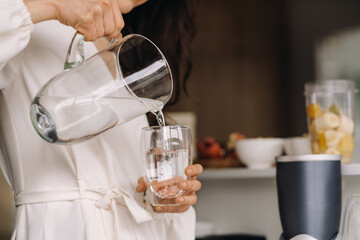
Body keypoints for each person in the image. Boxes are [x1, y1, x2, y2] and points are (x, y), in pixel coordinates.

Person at [0, 0, 203, 239]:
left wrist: (160, 199)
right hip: (64, 229)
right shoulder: (29, 17)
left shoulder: (120, 41)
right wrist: (53, 6)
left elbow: (123, 179)